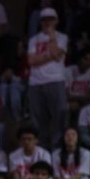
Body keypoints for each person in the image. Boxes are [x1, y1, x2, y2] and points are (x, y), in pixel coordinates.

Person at [27, 8, 68, 150]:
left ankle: (57, 151)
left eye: (50, 19)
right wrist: (48, 55)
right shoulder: (33, 39)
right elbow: (31, 60)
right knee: (38, 121)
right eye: (44, 20)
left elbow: (57, 54)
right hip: (36, 83)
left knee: (59, 118)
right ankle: (42, 152)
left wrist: (51, 37)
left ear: (56, 21)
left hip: (55, 81)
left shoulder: (62, 37)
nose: (47, 22)